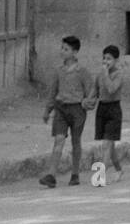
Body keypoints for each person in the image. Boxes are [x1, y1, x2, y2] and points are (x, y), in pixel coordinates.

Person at [40, 34, 95, 187]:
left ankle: (75, 174)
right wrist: (47, 110)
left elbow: (91, 92)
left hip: (77, 110)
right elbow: (52, 91)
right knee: (59, 139)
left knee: (76, 141)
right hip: (61, 109)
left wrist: (87, 103)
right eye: (62, 48)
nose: (62, 51)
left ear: (75, 52)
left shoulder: (82, 72)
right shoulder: (59, 71)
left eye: (66, 49)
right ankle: (51, 175)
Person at [91, 43, 125, 180]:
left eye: (109, 59)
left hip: (114, 110)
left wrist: (105, 74)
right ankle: (118, 169)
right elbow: (95, 89)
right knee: (109, 145)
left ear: (116, 60)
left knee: (107, 144)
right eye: (104, 58)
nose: (105, 61)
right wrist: (88, 100)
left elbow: (111, 89)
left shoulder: (119, 75)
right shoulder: (100, 74)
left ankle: (100, 176)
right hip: (102, 109)